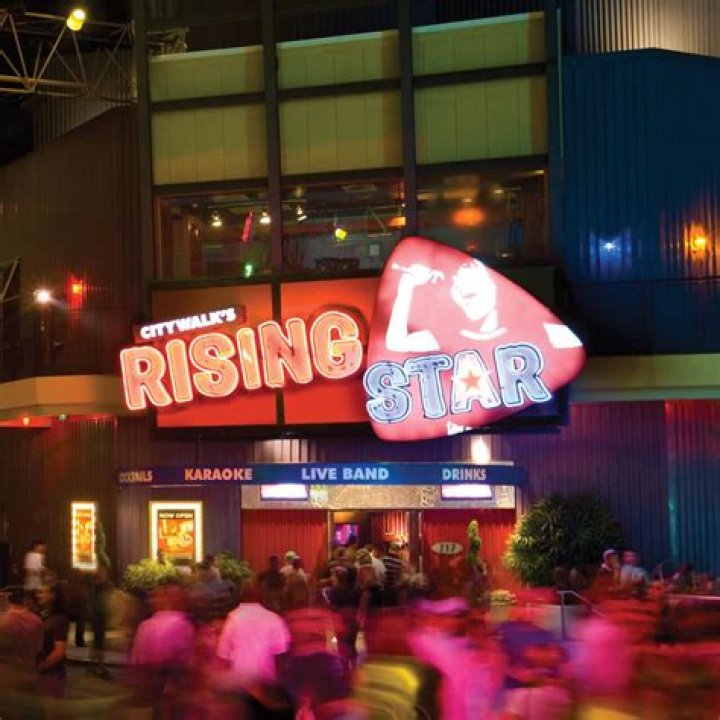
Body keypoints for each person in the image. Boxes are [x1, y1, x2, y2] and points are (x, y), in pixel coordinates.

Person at [216, 585, 292, 715]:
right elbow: (282, 653)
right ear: (262, 597)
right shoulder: (273, 618)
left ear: (241, 597)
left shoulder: (233, 618)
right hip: (266, 682)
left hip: (240, 681)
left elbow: (223, 654)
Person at [130, 583, 196, 714]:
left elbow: (136, 660)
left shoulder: (145, 626)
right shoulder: (181, 624)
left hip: (150, 689)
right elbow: (187, 661)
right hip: (172, 689)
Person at [36, 582, 69, 699]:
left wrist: (40, 667)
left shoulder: (59, 620)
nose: (38, 595)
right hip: (44, 674)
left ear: (53, 595)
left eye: (42, 592)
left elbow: (59, 651)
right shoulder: (43, 616)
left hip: (52, 675)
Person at [0, 585, 43, 671]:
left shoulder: (3, 621)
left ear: (6, 599)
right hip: (29, 670)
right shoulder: (36, 620)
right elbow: (38, 648)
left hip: (7, 672)